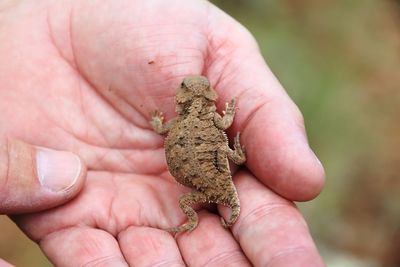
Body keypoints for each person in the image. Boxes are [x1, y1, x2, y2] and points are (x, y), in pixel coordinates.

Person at [0, 0, 325, 266]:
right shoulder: (212, 117)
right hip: (204, 178)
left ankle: (193, 220)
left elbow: (163, 129)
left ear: (184, 98)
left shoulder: (180, 120)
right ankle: (199, 214)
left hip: (204, 175)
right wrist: (231, 115)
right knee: (218, 167)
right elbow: (224, 125)